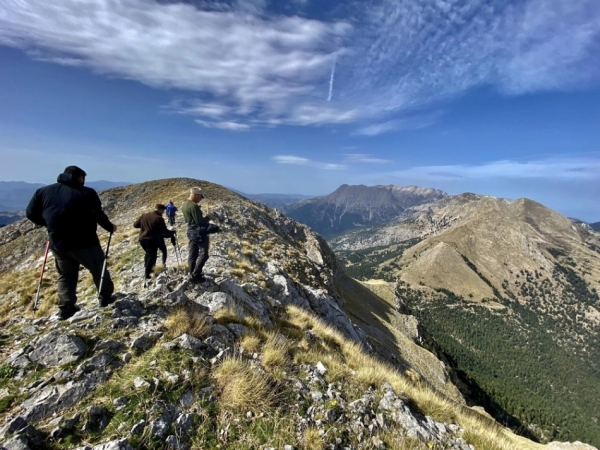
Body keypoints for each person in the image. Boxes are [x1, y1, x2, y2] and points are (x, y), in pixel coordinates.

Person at [26, 166, 118, 320]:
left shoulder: (43, 192)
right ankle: (105, 298)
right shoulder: (86, 192)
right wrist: (110, 227)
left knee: (66, 275)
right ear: (79, 177)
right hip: (85, 242)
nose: (84, 181)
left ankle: (66, 309)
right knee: (98, 269)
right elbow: (97, 213)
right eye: (83, 178)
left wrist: (48, 223)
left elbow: (30, 213)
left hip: (58, 243)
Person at [181, 187, 220, 282]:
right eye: (200, 197)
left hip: (190, 230)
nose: (201, 199)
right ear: (195, 195)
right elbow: (200, 221)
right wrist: (208, 217)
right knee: (204, 255)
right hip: (198, 231)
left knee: (193, 253)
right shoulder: (193, 206)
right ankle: (195, 275)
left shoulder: (185, 204)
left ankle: (191, 272)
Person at [133, 204, 176, 283]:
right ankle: (147, 274)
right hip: (151, 240)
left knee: (148, 254)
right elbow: (164, 231)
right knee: (151, 257)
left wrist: (144, 227)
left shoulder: (144, 215)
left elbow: (135, 225)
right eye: (163, 210)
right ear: (160, 210)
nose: (163, 212)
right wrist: (172, 232)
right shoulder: (159, 218)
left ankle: (148, 268)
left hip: (142, 239)